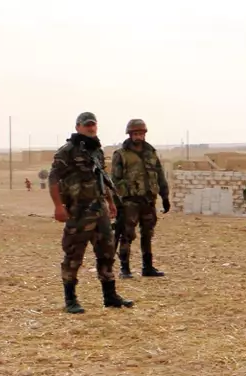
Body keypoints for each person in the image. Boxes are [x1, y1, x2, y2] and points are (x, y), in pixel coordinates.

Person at [49, 112, 133, 314]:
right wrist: (58, 206)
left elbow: (101, 178)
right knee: (73, 255)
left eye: (93, 124)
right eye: (86, 125)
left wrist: (110, 202)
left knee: (106, 253)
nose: (90, 128)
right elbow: (53, 178)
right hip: (78, 212)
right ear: (78, 127)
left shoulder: (96, 150)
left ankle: (110, 296)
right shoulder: (67, 151)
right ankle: (70, 299)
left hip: (99, 211)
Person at [110, 118, 170, 278]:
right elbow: (114, 181)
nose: (138, 136)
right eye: (135, 134)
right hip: (129, 201)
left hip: (148, 200)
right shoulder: (121, 155)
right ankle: (125, 269)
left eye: (141, 133)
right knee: (127, 234)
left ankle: (147, 267)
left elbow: (159, 175)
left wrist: (165, 196)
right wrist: (119, 202)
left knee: (147, 233)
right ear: (130, 135)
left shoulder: (150, 153)